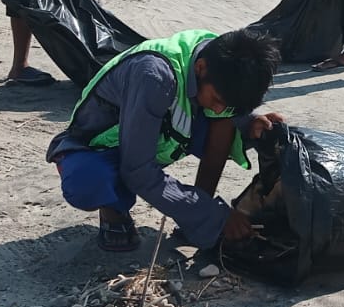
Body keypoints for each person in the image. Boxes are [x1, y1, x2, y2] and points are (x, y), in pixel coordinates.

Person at [47, 28, 284, 252]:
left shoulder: (217, 53)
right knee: (87, 182)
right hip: (100, 144)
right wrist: (214, 215)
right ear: (200, 68)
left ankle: (196, 213)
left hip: (161, 129)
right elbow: (138, 171)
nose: (221, 108)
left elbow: (226, 107)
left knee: (227, 122)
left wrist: (249, 119)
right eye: (218, 98)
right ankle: (114, 209)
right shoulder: (154, 76)